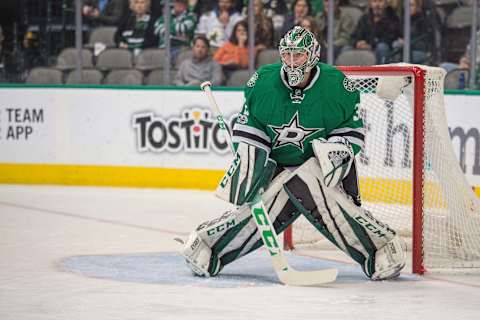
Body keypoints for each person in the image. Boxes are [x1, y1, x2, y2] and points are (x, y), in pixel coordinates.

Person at [179, 26, 407, 281]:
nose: (291, 61)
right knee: (266, 207)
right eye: (286, 54)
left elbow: (350, 130)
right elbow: (251, 126)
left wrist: (335, 153)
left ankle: (380, 248)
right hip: (276, 164)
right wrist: (251, 156)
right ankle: (209, 248)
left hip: (319, 165)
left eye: (298, 55)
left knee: (313, 185)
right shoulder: (263, 81)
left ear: (313, 55)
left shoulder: (337, 84)